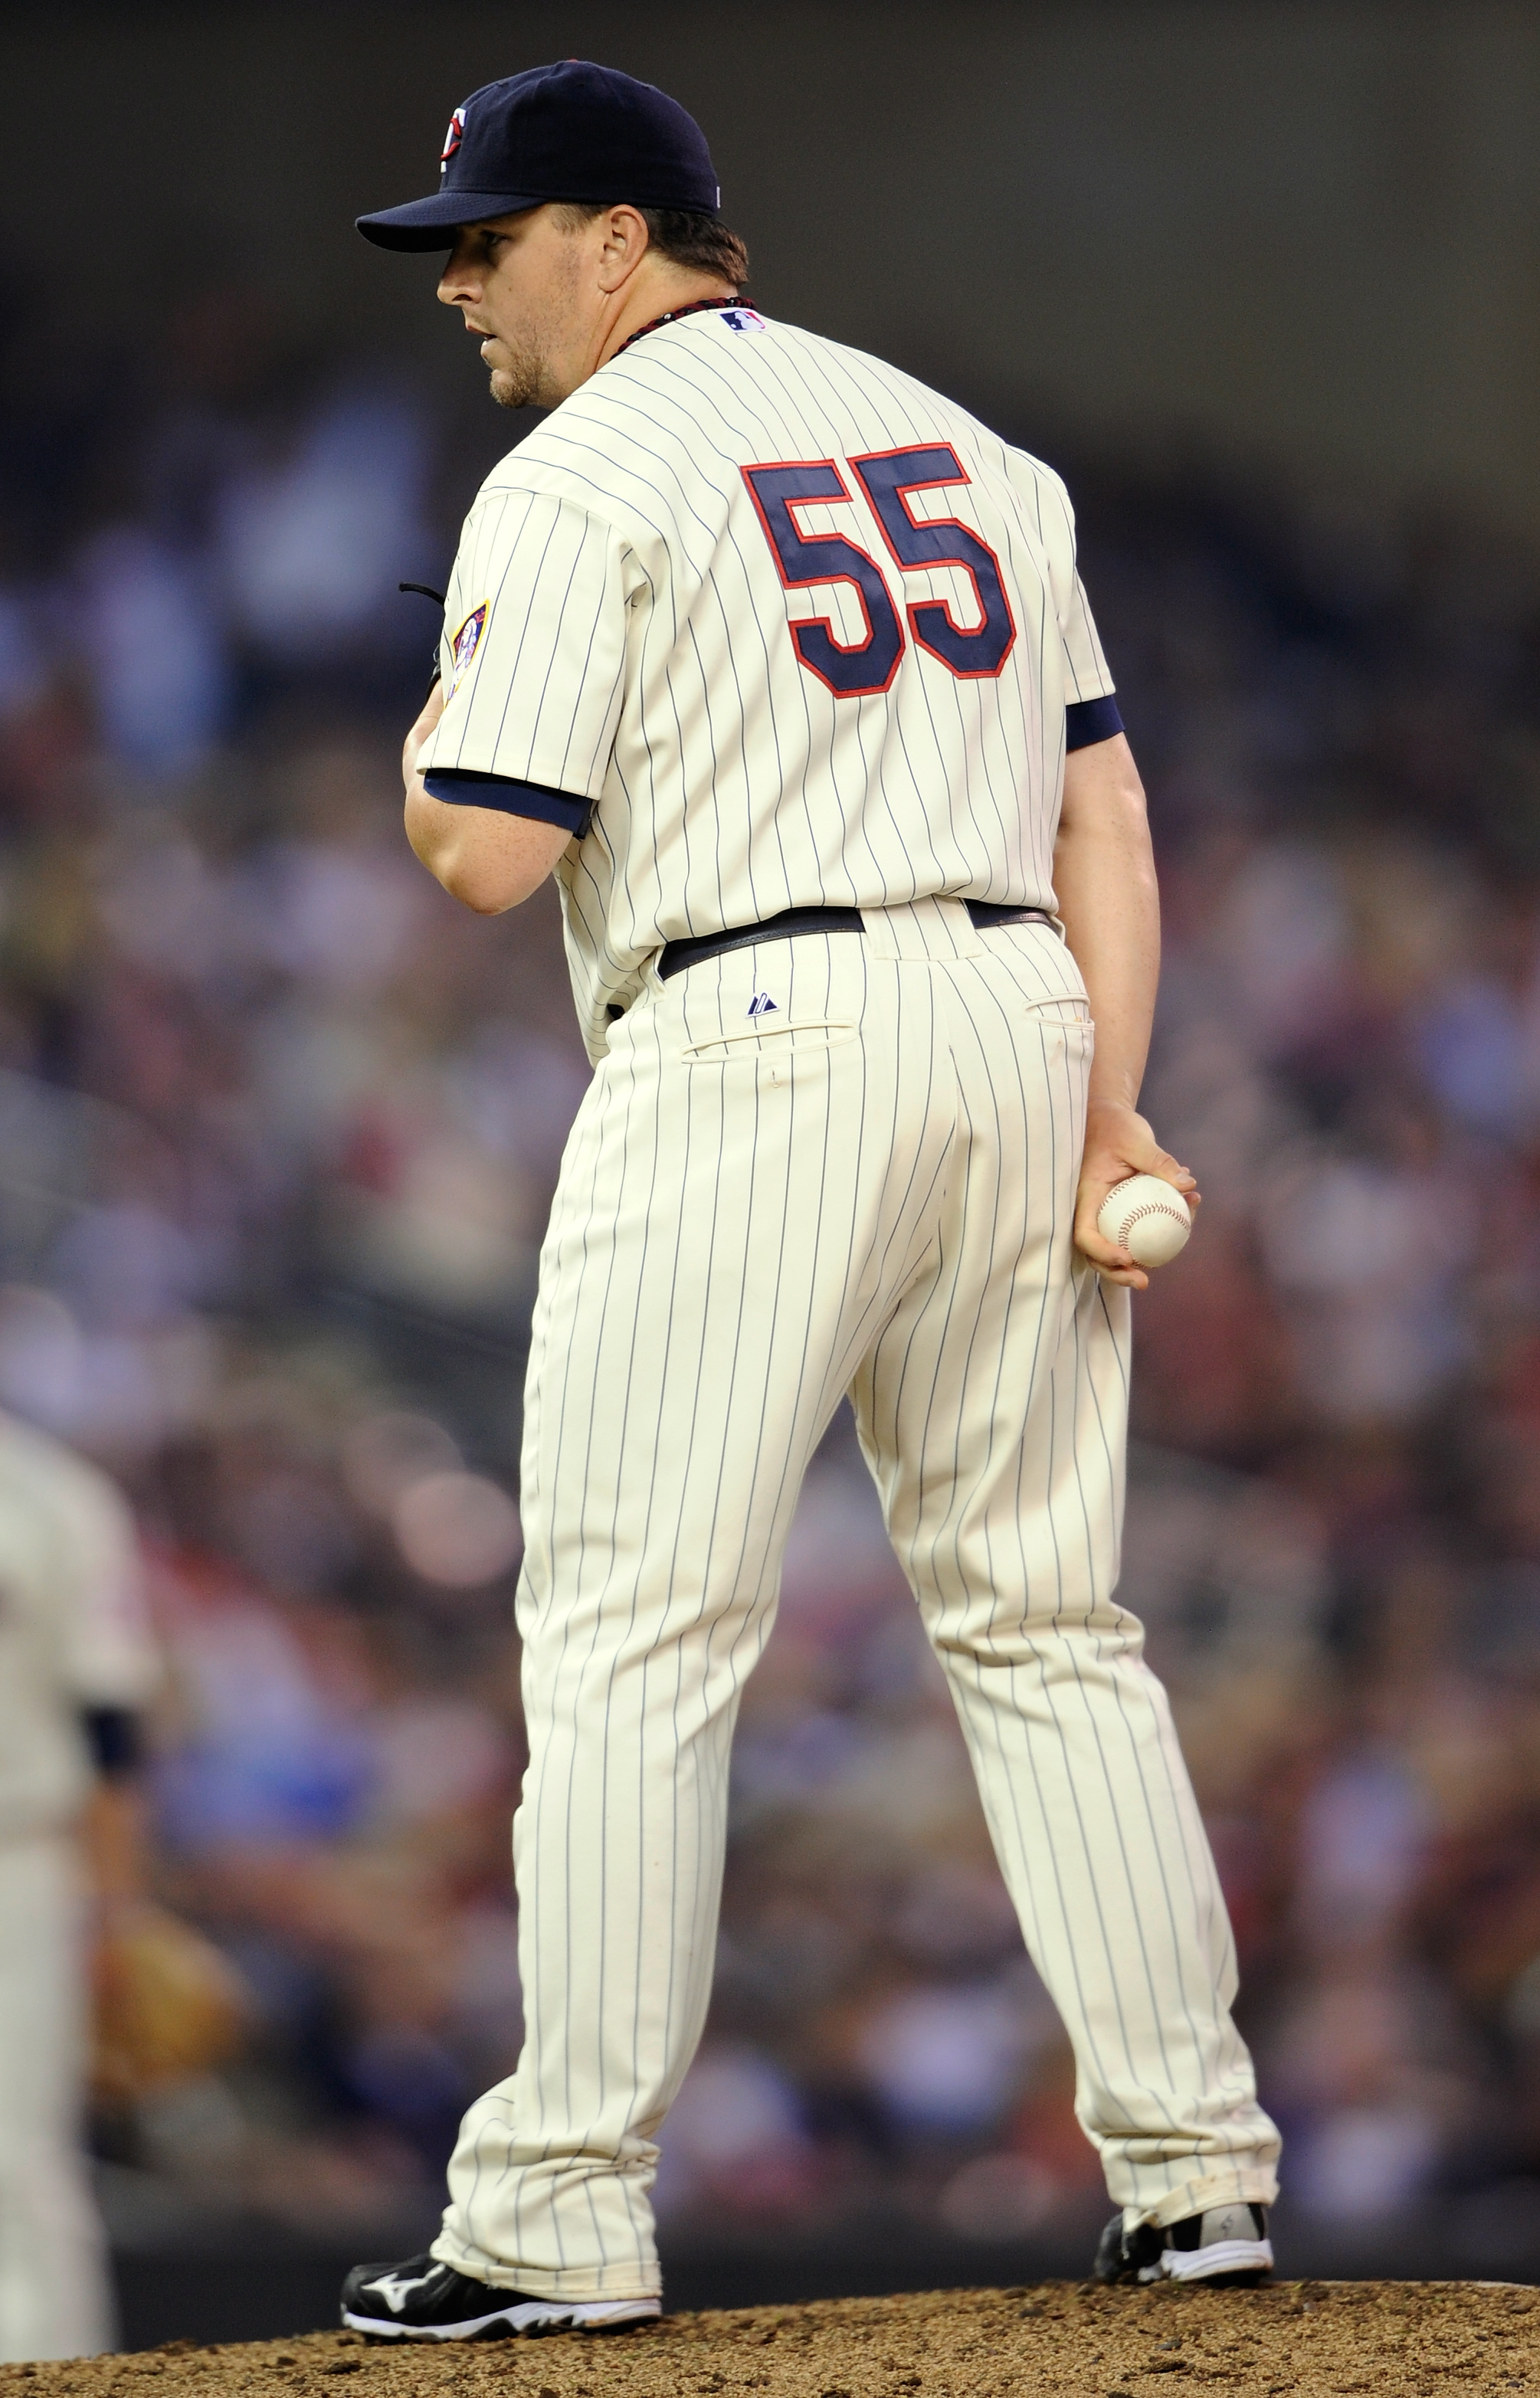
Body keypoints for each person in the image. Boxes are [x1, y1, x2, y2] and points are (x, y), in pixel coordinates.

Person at [342, 59, 1281, 2341]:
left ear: (624, 239)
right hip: (1015, 1009)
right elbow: (1109, 827)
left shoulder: (579, 472)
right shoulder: (971, 446)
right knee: (1048, 1621)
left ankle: (558, 2204)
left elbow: (485, 845)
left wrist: (427, 697)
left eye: (492, 231)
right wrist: (1106, 1106)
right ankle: (1197, 2170)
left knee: (634, 1631)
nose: (460, 278)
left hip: (752, 1035)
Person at [0, 1407, 158, 2360]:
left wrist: (117, 1913)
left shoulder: (48, 1494)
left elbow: (110, 1723)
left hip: (14, 1860)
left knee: (15, 2159)